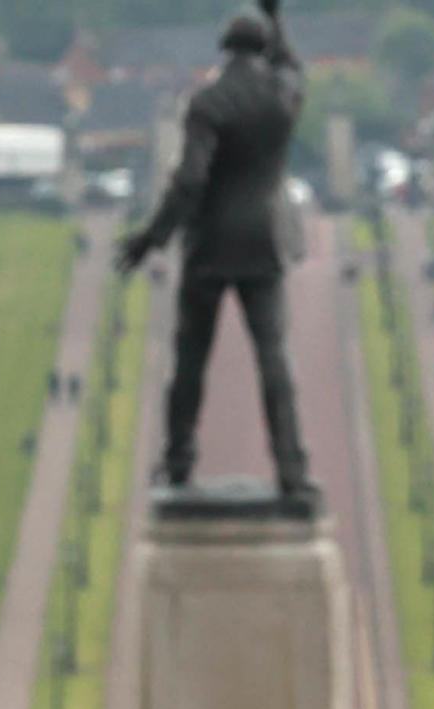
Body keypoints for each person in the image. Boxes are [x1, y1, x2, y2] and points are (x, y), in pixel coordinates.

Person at [119, 1, 309, 503]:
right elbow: (293, 66)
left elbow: (190, 181)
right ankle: (292, 469)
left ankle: (179, 461)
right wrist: (278, 19)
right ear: (263, 50)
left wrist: (150, 238)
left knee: (190, 360)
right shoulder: (283, 95)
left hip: (210, 245)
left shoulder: (209, 103)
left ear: (224, 51)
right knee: (274, 359)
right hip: (264, 240)